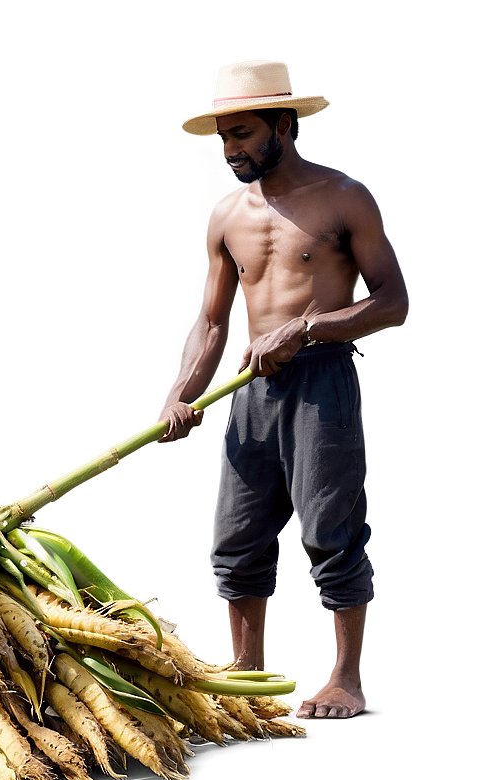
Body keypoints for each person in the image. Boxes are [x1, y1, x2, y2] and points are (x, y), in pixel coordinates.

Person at [159, 58, 408, 718]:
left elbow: (395, 302)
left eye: (241, 133)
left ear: (283, 124)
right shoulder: (222, 215)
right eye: (223, 136)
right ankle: (248, 676)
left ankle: (348, 682)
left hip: (323, 381)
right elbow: (212, 323)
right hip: (250, 388)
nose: (229, 148)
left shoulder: (344, 196)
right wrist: (181, 394)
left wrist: (306, 328)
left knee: (331, 532)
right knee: (236, 540)